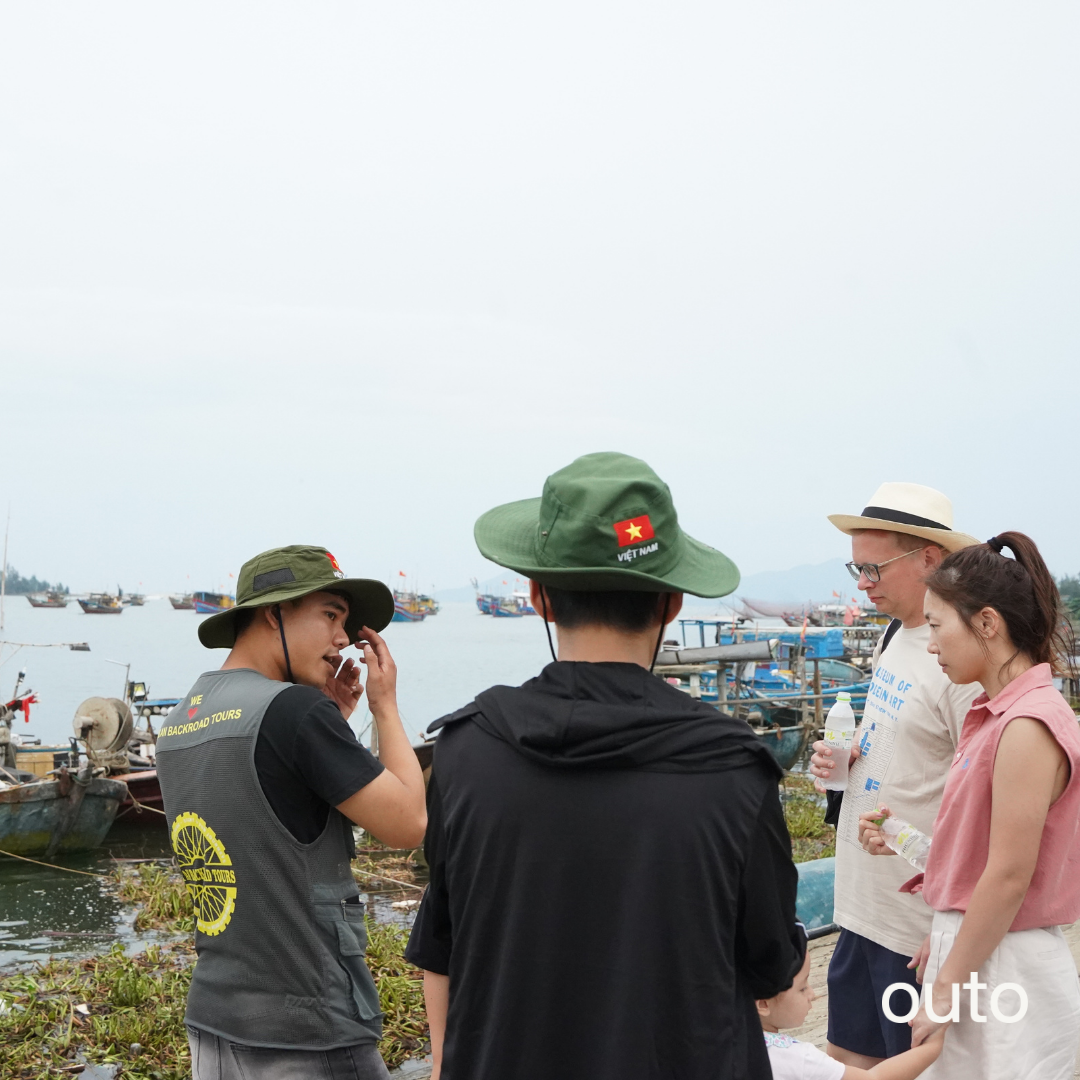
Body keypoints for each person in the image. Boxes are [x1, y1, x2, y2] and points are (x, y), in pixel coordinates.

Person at [405, 451, 806, 1080]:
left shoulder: (466, 750)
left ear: (538, 596)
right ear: (671, 603)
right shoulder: (734, 769)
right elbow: (769, 966)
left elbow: (443, 943)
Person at [156, 545, 427, 1080]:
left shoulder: (182, 719)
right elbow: (408, 823)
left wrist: (329, 722)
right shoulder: (294, 712)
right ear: (272, 613)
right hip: (308, 1034)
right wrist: (384, 706)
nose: (343, 640)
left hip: (215, 1025)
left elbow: (264, 824)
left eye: (345, 623)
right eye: (330, 614)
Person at [859, 532, 1080, 1079]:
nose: (931, 644)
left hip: (1008, 961)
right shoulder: (998, 714)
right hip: (984, 950)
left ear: (986, 623)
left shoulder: (1026, 723)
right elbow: (984, 858)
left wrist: (945, 986)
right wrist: (946, 930)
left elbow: (1008, 874)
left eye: (937, 626)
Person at [810, 484, 982, 1068]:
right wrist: (851, 754)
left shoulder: (960, 657)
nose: (862, 582)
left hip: (916, 931)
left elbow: (984, 799)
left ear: (929, 558)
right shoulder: (896, 634)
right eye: (855, 567)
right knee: (845, 1063)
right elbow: (906, 742)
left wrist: (950, 929)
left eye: (873, 567)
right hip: (860, 909)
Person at [758, 936, 945, 1080]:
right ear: (763, 1004)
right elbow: (874, 1078)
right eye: (803, 988)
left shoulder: (733, 1042)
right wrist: (933, 1044)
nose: (812, 994)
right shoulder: (798, 1059)